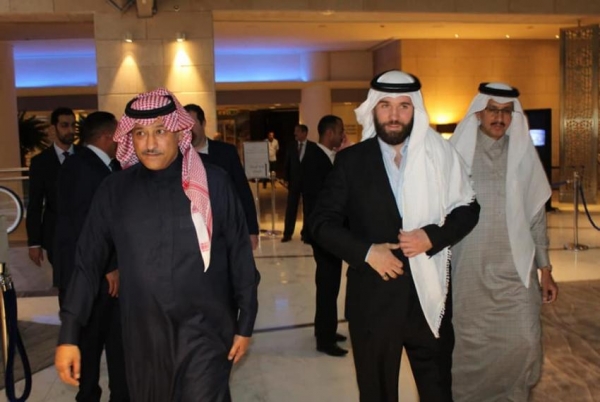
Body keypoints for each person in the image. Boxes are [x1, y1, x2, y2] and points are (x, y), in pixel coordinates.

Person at [55, 88, 260, 401]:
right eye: (140, 133)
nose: (149, 143)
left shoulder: (213, 182)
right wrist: (69, 333)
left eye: (160, 131)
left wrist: (245, 322)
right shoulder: (114, 190)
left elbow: (239, 254)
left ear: (179, 133)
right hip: (143, 337)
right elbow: (87, 263)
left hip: (205, 332)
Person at [310, 70, 480, 402]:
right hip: (372, 302)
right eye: (385, 105)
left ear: (415, 109)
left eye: (404, 106)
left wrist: (432, 237)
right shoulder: (351, 161)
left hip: (429, 301)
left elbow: (469, 208)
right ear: (374, 108)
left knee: (437, 392)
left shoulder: (440, 155)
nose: (394, 115)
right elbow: (320, 223)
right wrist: (367, 252)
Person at [449, 82, 559, 402]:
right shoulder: (457, 155)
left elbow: (536, 216)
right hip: (470, 271)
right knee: (470, 347)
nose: (499, 117)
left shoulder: (523, 155)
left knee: (524, 341)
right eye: (492, 110)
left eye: (506, 111)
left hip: (516, 270)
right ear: (478, 113)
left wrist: (545, 269)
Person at [53, 111, 129, 401]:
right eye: (120, 135)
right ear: (108, 136)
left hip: (106, 278)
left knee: (117, 343)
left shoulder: (109, 167)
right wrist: (109, 266)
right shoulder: (82, 167)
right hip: (91, 277)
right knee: (89, 347)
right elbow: (85, 223)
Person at [184, 103, 259, 250]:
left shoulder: (226, 153)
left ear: (203, 123)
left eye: (191, 124)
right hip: (189, 235)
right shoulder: (177, 157)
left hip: (224, 232)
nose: (188, 129)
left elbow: (243, 191)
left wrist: (252, 230)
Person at [301, 115, 347, 356]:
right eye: (340, 131)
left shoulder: (325, 157)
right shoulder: (315, 160)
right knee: (328, 286)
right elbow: (320, 202)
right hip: (324, 235)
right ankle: (325, 339)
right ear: (330, 133)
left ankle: (326, 329)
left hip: (328, 233)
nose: (342, 136)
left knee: (330, 285)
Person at [26, 107, 81, 271]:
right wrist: (34, 242)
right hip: (56, 236)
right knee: (63, 282)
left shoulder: (86, 156)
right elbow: (35, 204)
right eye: (64, 125)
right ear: (53, 128)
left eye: (73, 125)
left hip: (85, 233)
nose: (70, 130)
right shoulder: (40, 162)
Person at [281, 124, 309, 242]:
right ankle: (287, 233)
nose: (295, 133)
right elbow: (287, 163)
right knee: (291, 209)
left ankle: (306, 234)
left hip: (308, 183)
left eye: (297, 131)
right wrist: (285, 178)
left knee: (308, 209)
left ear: (304, 133)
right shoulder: (291, 146)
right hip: (294, 183)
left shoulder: (312, 147)